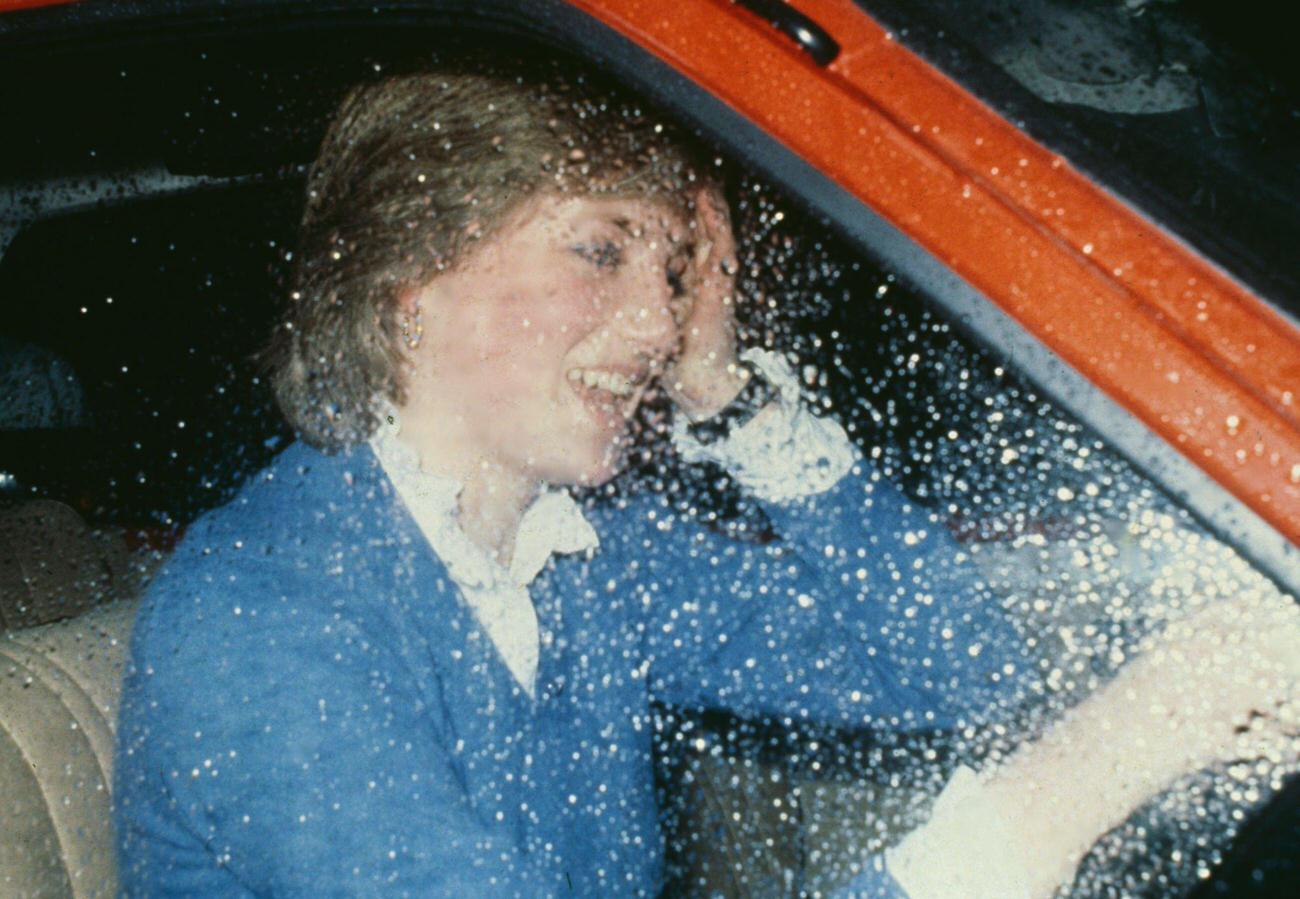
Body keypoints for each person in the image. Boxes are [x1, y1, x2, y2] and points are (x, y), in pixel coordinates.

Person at [112, 68, 1299, 897]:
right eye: (599, 250)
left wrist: (726, 395)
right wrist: (1080, 777)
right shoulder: (265, 616)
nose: (656, 320)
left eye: (675, 270)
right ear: (409, 280)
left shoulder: (582, 556)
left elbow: (959, 666)